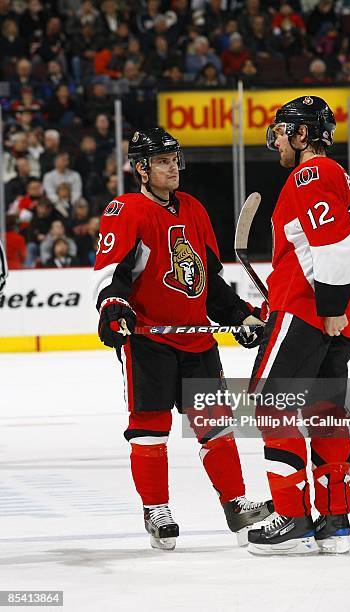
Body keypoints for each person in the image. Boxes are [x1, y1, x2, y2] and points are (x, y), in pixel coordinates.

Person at [94, 127, 272, 551]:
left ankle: (236, 504)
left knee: (216, 427)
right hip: (149, 341)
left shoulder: (193, 208)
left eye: (174, 159)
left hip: (197, 342)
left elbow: (210, 280)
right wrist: (114, 308)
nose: (172, 167)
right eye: (161, 160)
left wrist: (240, 314)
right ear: (141, 168)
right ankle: (157, 508)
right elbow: (111, 275)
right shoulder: (125, 210)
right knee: (150, 428)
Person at [246, 96, 350, 555]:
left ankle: (291, 518)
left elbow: (336, 246)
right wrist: (268, 306)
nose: (275, 140)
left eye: (281, 132)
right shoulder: (334, 176)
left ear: (301, 135)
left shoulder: (311, 174)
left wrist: (327, 306)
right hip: (324, 310)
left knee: (269, 406)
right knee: (324, 414)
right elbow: (313, 254)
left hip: (310, 310)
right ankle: (334, 520)